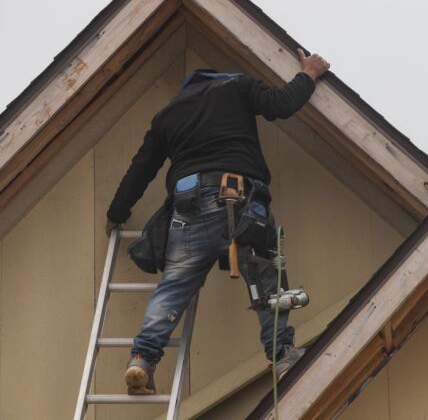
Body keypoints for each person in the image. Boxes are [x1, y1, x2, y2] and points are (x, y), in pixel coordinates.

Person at [105, 48, 330, 395]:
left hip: (187, 207)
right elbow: (280, 105)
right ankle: (283, 355)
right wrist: (308, 74)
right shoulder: (237, 86)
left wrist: (116, 213)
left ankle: (141, 359)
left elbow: (141, 169)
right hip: (241, 200)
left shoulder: (168, 115)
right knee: (267, 281)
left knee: (174, 286)